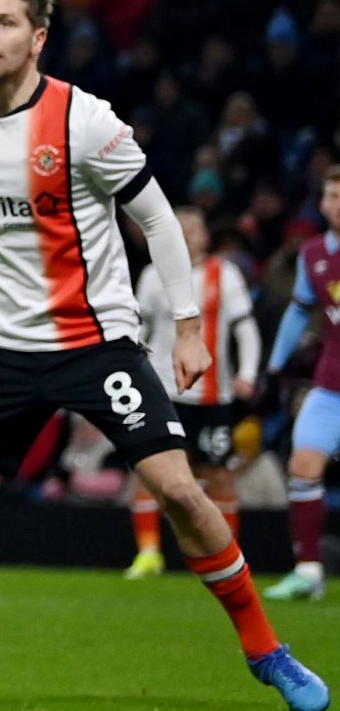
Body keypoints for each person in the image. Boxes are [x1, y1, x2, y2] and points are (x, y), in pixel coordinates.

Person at [0, 0, 326, 711]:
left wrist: (189, 326)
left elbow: (161, 221)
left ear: (38, 37)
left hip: (94, 342)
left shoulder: (86, 121)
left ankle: (269, 653)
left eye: (3, 22)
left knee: (180, 491)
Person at [128, 209, 257, 580]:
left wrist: (247, 372)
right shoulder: (154, 275)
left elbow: (245, 328)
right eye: (178, 229)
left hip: (212, 393)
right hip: (163, 391)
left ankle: (228, 555)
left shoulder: (226, 274)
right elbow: (139, 329)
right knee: (150, 468)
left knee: (216, 473)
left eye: (192, 230)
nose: (185, 236)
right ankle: (149, 553)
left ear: (205, 236)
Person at [263, 171, 340, 602]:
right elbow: (299, 310)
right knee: (303, 467)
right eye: (332, 195)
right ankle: (308, 571)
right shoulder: (312, 253)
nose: (338, 202)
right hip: (330, 386)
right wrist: (275, 366)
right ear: (323, 203)